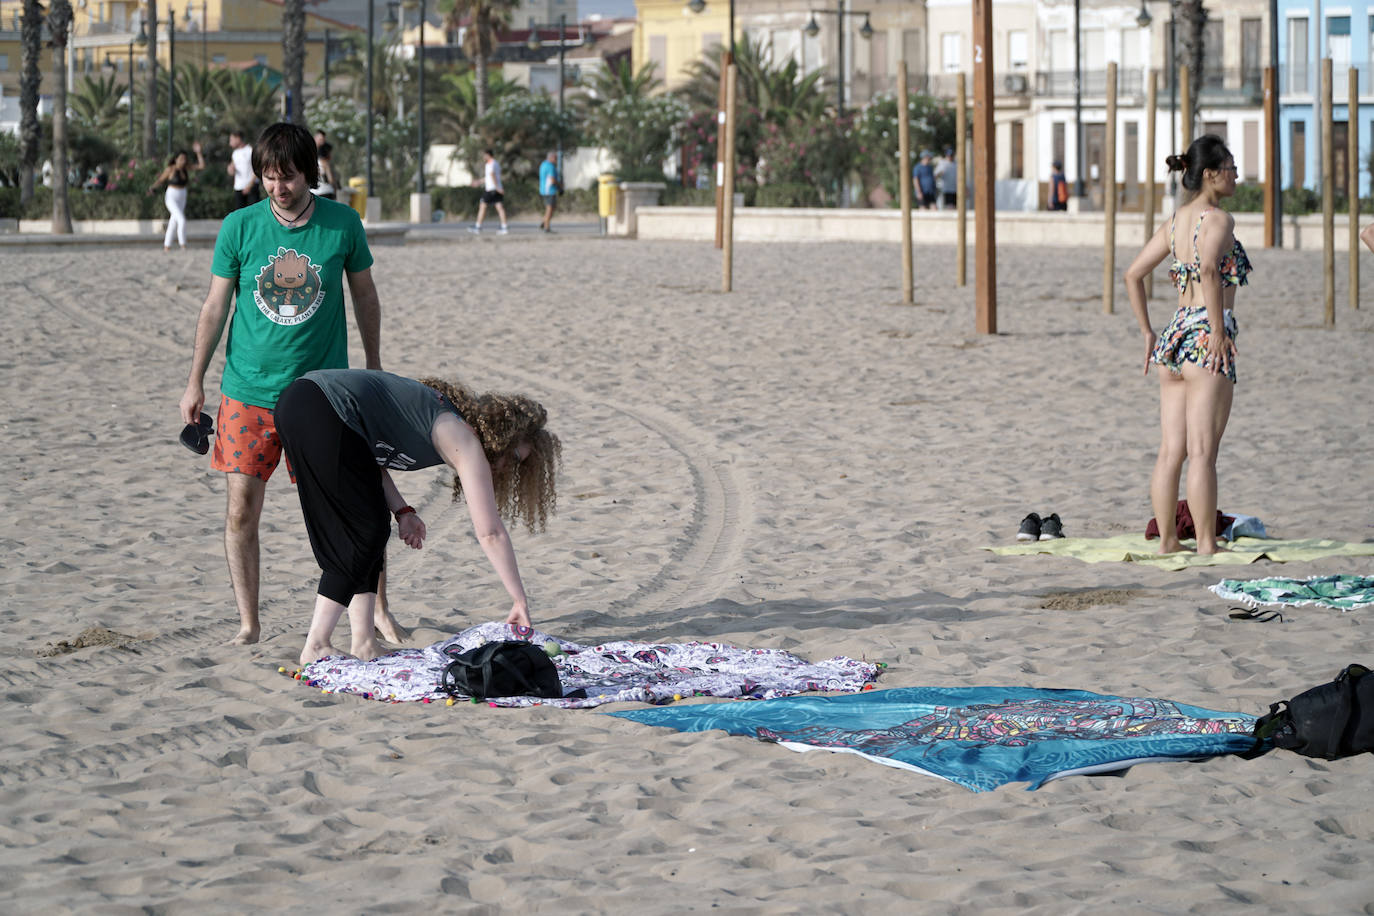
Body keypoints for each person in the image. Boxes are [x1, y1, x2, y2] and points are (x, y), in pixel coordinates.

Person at [178, 122, 407, 647]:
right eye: (268, 177)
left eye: (288, 176)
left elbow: (366, 297)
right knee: (240, 510)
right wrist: (194, 382)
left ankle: (379, 611)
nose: (278, 187)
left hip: (323, 395)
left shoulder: (342, 224)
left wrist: (372, 366)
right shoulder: (239, 226)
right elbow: (215, 306)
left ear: (311, 171)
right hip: (247, 392)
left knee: (355, 507)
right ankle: (249, 623)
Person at [274, 369, 561, 665]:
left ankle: (364, 642)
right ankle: (318, 644)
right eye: (513, 457)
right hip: (318, 406)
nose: (506, 468)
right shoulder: (461, 436)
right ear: (501, 436)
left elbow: (366, 459)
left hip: (304, 404)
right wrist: (519, 600)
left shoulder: (444, 422)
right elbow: (490, 533)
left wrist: (403, 511)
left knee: (372, 525)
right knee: (360, 534)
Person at [1123, 135, 1249, 556]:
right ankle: (1207, 544)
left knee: (1170, 452)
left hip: (1174, 337)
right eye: (1230, 167)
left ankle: (1169, 542)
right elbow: (1210, 269)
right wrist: (1217, 331)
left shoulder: (1176, 221)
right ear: (1210, 174)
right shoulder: (1218, 220)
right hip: (1204, 337)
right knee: (1202, 454)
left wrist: (1147, 331)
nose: (1236, 175)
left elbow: (1133, 274)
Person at [149, 142, 206, 251]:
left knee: (173, 221)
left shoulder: (186, 168)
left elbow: (202, 166)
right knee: (181, 220)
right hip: (172, 195)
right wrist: (152, 187)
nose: (183, 161)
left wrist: (198, 153)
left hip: (182, 195)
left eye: (184, 159)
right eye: (180, 159)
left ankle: (167, 246)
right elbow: (161, 180)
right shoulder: (170, 169)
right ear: (176, 159)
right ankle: (183, 245)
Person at [470, 149, 508, 235]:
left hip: (491, 189)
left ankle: (478, 226)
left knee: (482, 205)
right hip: (497, 188)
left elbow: (492, 175)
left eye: (484, 155)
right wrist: (479, 182)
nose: (483, 157)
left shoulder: (490, 164)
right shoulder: (496, 163)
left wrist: (496, 187)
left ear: (488, 155)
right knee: (500, 208)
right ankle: (504, 227)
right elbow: (489, 177)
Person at [227, 129, 259, 210]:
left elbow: (257, 169)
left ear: (238, 138)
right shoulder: (235, 153)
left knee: (253, 213)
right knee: (240, 214)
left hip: (251, 187)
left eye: (231, 140)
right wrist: (230, 169)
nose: (230, 143)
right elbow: (232, 169)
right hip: (238, 188)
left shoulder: (250, 150)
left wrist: (249, 185)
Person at [538, 151, 560, 233]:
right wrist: (559, 187)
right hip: (549, 190)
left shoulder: (543, 164)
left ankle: (544, 222)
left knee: (552, 208)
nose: (556, 160)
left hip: (543, 190)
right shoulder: (550, 166)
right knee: (549, 209)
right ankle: (546, 227)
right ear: (550, 157)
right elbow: (552, 179)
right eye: (555, 158)